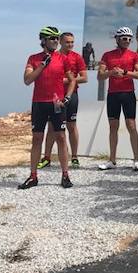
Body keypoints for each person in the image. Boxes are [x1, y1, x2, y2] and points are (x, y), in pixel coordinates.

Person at [19, 26, 75, 189]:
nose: (56, 41)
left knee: (61, 138)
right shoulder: (33, 58)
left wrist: (68, 97)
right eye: (52, 38)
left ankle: (65, 175)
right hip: (39, 103)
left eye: (57, 38)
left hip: (57, 104)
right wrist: (42, 65)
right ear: (43, 41)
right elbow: (27, 80)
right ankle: (33, 176)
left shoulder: (63, 58)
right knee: (37, 139)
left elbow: (72, 80)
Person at [38, 32, 88, 170]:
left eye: (72, 42)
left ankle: (75, 157)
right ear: (60, 42)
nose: (70, 45)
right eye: (67, 42)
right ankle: (46, 157)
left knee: (71, 126)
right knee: (52, 127)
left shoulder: (77, 57)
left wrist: (66, 80)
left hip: (72, 96)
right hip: (55, 96)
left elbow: (84, 78)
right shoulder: (54, 56)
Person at [97, 27, 138, 171]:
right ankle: (112, 160)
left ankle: (136, 160)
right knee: (113, 127)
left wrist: (124, 72)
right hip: (113, 95)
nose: (128, 41)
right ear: (117, 39)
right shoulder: (107, 55)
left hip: (128, 94)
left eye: (130, 39)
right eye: (124, 38)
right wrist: (111, 72)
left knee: (131, 126)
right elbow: (100, 76)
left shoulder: (134, 55)